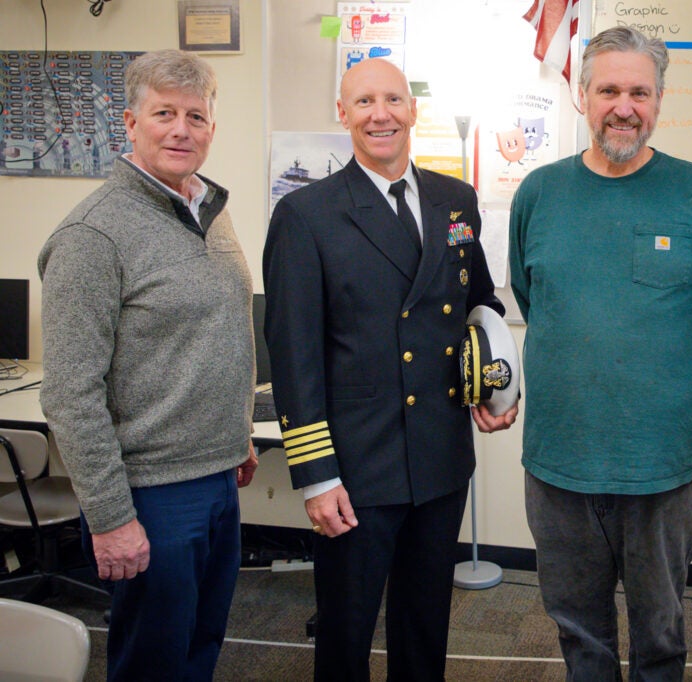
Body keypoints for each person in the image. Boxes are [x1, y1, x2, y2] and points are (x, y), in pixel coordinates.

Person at [262, 57, 517, 682]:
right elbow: (292, 355)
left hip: (439, 455)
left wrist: (495, 377)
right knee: (346, 632)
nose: (382, 114)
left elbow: (480, 298)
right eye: (365, 102)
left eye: (394, 100)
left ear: (412, 110)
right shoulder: (307, 214)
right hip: (356, 465)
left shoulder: (454, 200)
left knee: (426, 626)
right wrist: (316, 476)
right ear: (343, 114)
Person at [509, 26, 692, 680]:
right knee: (578, 631)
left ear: (659, 102)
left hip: (666, 467)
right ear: (582, 97)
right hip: (560, 462)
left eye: (639, 91)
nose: (624, 105)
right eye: (609, 89)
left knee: (661, 635)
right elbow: (537, 302)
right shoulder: (539, 194)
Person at [38, 49, 259, 680]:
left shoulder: (209, 212)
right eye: (164, 113)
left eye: (196, 115)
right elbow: (72, 394)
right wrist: (110, 518)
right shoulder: (94, 235)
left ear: (213, 127)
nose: (181, 129)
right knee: (152, 661)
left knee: (200, 645)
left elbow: (215, 335)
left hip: (217, 475)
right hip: (149, 492)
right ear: (130, 123)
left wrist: (235, 432)